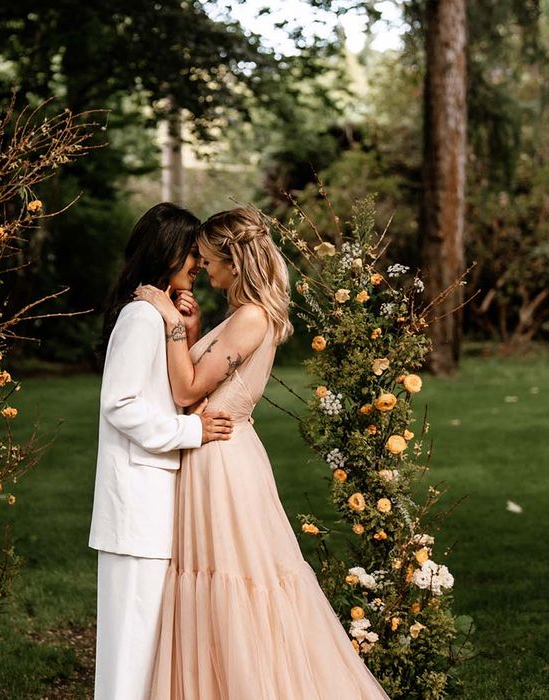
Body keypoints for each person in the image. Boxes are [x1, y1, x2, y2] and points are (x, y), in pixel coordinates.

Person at [134, 208, 390, 699]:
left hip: (222, 464)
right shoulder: (243, 315)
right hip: (213, 453)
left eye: (209, 260)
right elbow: (201, 379)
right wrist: (191, 330)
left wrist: (167, 318)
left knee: (232, 579)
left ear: (235, 260)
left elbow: (186, 391)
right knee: (215, 581)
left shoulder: (251, 316)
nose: (204, 269)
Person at [89, 202, 234, 700]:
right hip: (134, 507)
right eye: (192, 253)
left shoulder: (160, 314)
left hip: (154, 504)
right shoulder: (141, 315)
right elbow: (121, 405)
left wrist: (185, 330)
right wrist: (191, 432)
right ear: (167, 252)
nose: (198, 263)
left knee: (147, 647)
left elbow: (171, 389)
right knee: (130, 650)